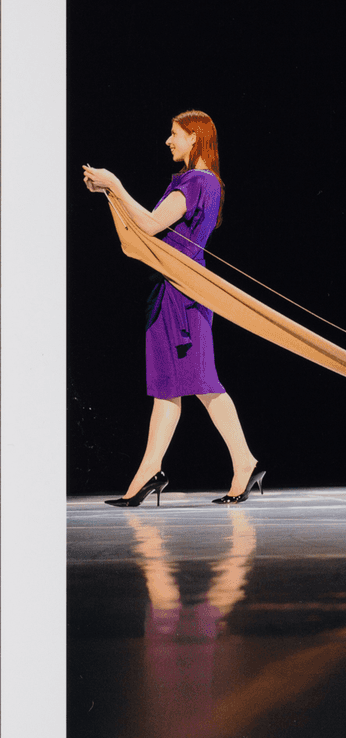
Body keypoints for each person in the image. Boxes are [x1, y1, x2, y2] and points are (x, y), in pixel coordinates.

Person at [82, 110, 265, 506]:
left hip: (184, 295)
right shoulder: (199, 181)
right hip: (172, 292)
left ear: (194, 139)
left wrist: (113, 183)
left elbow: (148, 225)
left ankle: (243, 461)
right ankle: (150, 472)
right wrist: (110, 193)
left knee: (202, 383)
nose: (168, 141)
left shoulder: (197, 181)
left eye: (175, 134)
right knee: (169, 387)